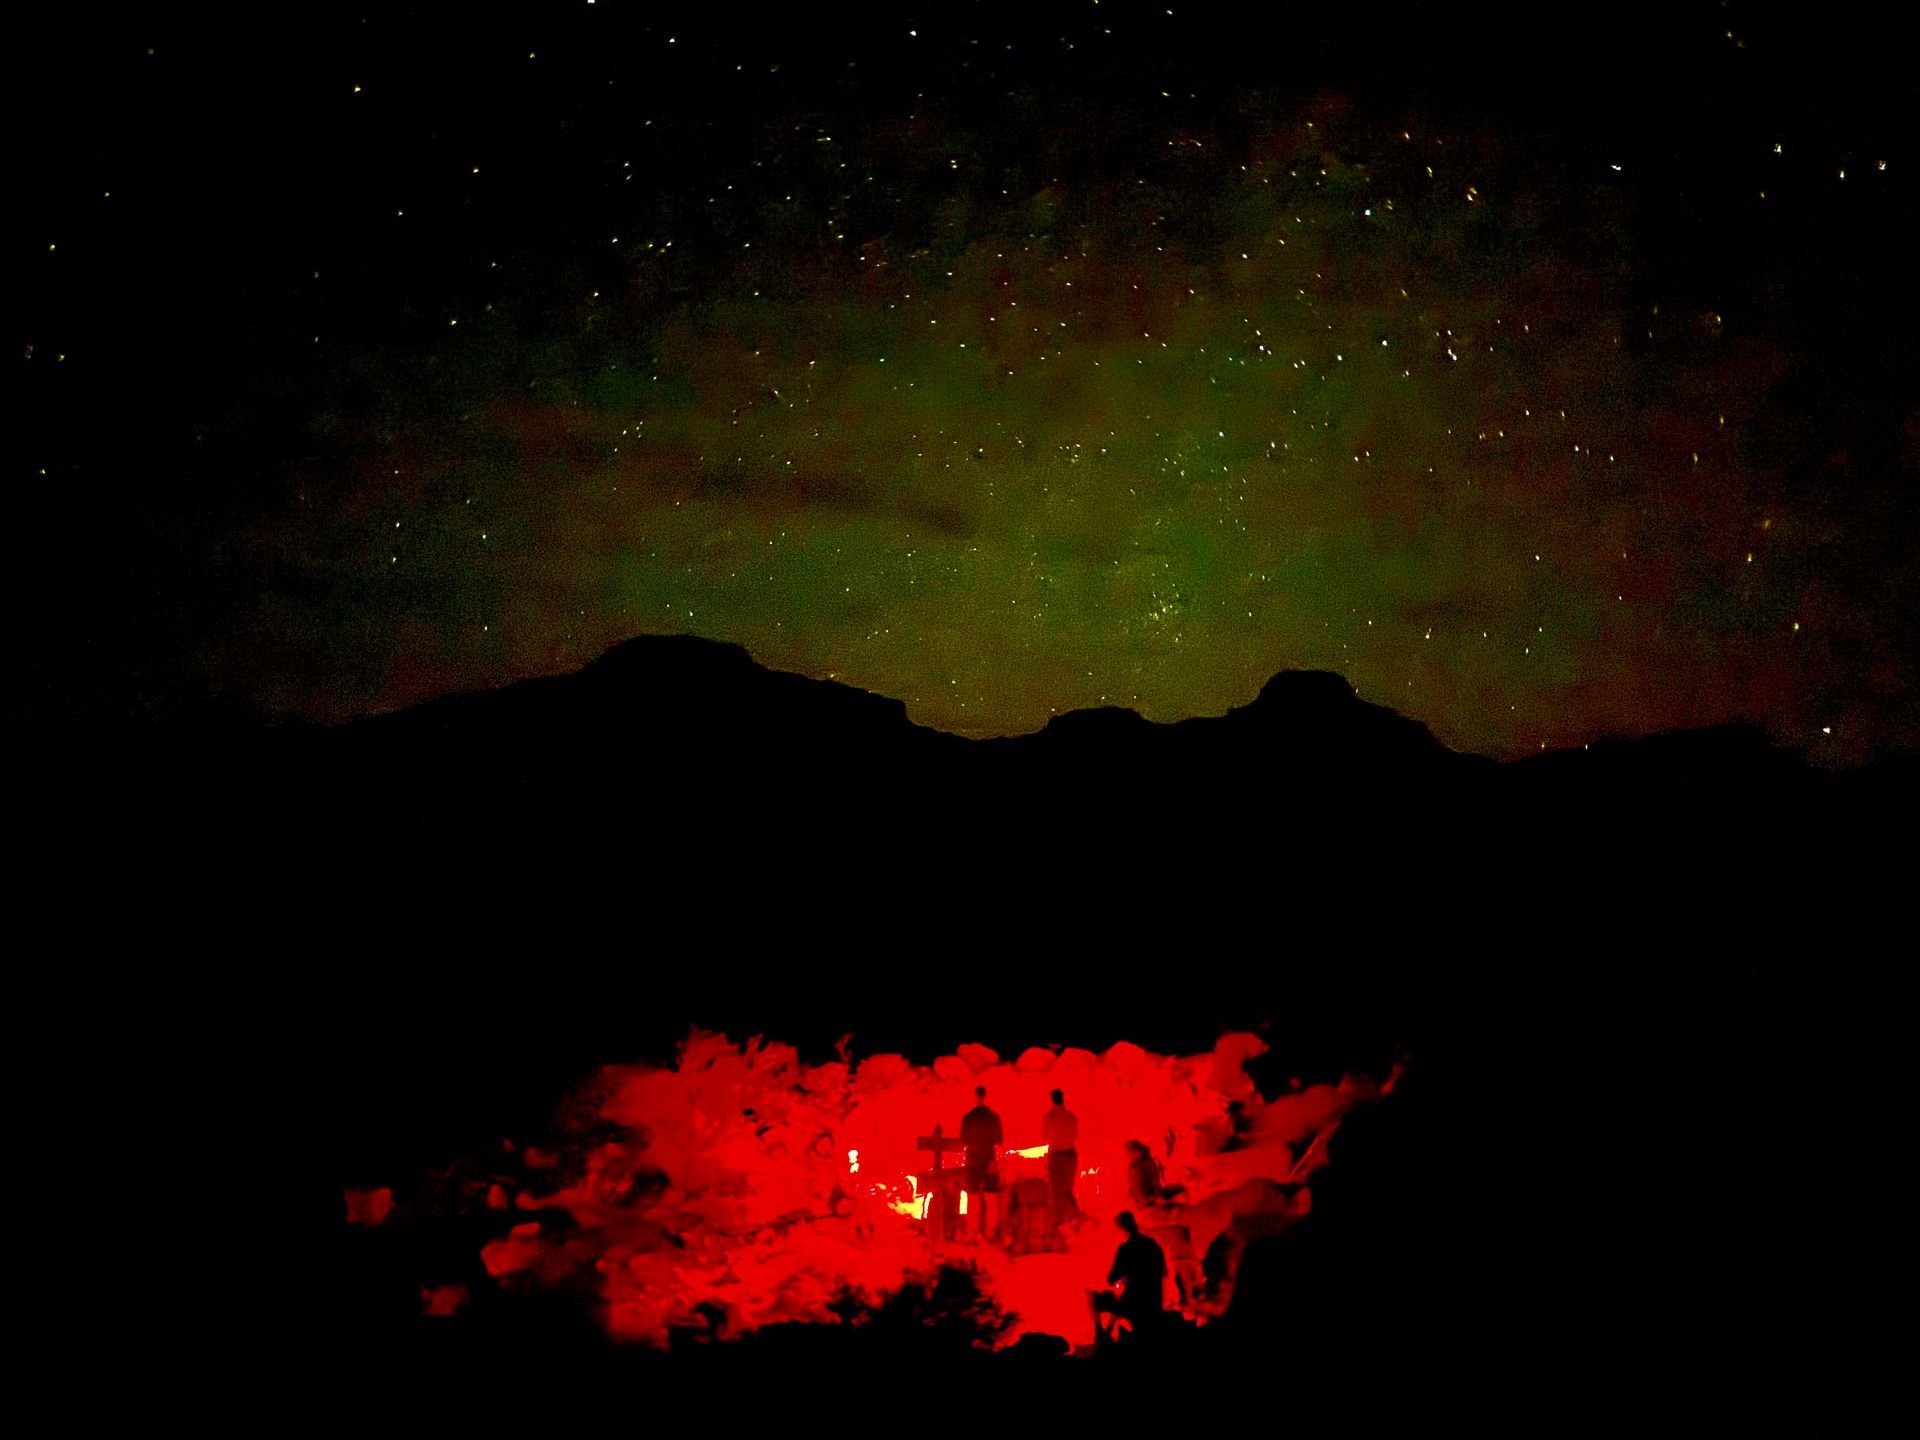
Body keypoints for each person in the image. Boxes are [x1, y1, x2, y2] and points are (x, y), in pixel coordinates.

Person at [1089, 1211, 1167, 1342]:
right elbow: (1163, 1272)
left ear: (1121, 1228)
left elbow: (1112, 1277)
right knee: (1119, 1299)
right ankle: (1109, 1329)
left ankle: (1100, 1335)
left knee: (1093, 1297)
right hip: (1155, 1301)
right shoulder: (1152, 1244)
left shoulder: (1126, 1248)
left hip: (1134, 1303)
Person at [960, 1086, 1003, 1240]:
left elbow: (963, 1140)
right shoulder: (994, 1117)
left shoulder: (968, 1118)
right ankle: (990, 1232)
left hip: (972, 1160)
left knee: (973, 1199)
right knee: (991, 1199)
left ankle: (972, 1233)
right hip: (989, 1160)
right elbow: (999, 1141)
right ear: (986, 1096)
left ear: (975, 1096)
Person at [1042, 1089, 1080, 1223]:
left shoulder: (1049, 1117)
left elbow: (1045, 1135)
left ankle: (1059, 1218)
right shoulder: (1071, 1117)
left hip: (1056, 1154)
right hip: (1070, 1154)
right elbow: (1075, 1135)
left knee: (1056, 1189)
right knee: (1068, 1188)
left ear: (1052, 1100)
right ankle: (1073, 1216)